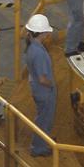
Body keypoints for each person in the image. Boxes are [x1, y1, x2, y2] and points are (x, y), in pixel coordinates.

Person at [25, 13, 56, 157]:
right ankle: (39, 148)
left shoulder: (32, 48)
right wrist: (52, 85)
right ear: (42, 33)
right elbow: (43, 79)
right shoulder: (39, 53)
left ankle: (42, 141)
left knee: (42, 117)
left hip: (37, 88)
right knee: (44, 119)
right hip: (44, 91)